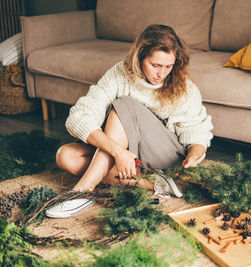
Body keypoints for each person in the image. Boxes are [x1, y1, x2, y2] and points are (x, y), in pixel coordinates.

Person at [55, 24, 213, 195]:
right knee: (65, 156)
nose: (162, 74)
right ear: (140, 58)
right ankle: (149, 185)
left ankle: (81, 191)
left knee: (124, 104)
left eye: (168, 66)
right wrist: (118, 152)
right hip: (129, 153)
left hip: (164, 156)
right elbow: (78, 118)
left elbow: (198, 135)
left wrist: (193, 156)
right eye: (155, 65)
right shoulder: (120, 74)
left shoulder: (184, 87)